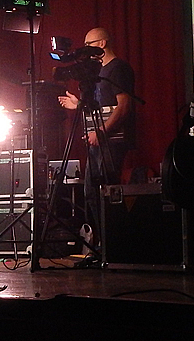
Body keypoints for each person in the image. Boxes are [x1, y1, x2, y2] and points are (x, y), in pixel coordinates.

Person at [58, 27, 135, 257]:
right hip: (97, 141)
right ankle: (104, 245)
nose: (85, 50)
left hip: (111, 142)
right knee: (92, 191)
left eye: (89, 44)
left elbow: (123, 107)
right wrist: (78, 105)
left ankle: (113, 246)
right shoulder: (97, 72)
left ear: (102, 44)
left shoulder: (118, 69)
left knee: (105, 191)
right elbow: (100, 106)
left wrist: (101, 132)